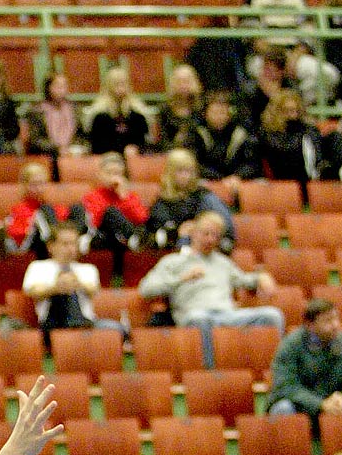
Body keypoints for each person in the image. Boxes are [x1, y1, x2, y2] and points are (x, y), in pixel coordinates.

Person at [138, 210, 284, 367]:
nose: (210, 239)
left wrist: (261, 277)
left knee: (272, 315)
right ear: (193, 233)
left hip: (227, 315)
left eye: (215, 235)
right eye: (205, 234)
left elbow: (244, 280)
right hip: (194, 315)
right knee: (200, 319)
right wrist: (181, 279)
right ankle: (210, 372)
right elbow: (146, 289)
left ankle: (275, 369)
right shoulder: (173, 261)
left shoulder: (223, 262)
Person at [266, 298, 342, 428]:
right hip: (303, 408)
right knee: (283, 409)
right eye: (328, 320)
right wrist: (320, 404)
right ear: (310, 325)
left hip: (339, 407)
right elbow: (286, 386)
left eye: (336, 319)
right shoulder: (290, 346)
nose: (335, 325)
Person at [21, 224, 123, 343]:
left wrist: (77, 283)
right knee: (63, 295)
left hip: (87, 322)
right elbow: (31, 290)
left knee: (117, 329)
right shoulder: (38, 267)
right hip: (52, 324)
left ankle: (77, 329)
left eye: (74, 243)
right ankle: (75, 331)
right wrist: (56, 288)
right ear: (51, 246)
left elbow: (94, 289)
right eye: (65, 244)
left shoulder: (88, 269)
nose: (70, 248)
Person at [141, 148, 235, 253]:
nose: (186, 176)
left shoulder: (202, 195)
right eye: (180, 171)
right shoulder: (162, 203)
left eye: (189, 171)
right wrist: (178, 232)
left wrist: (198, 227)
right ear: (170, 172)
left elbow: (224, 226)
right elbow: (155, 235)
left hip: (208, 245)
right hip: (177, 248)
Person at [177, 91, 261, 201]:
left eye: (222, 112)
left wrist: (237, 176)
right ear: (206, 113)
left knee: (259, 185)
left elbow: (252, 162)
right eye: (214, 112)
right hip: (207, 180)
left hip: (237, 180)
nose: (219, 116)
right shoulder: (196, 132)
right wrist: (220, 179)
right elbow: (193, 163)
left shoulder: (241, 132)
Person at [0, 159, 88, 257]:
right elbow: (18, 237)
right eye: (34, 184)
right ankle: (59, 243)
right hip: (32, 246)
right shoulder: (20, 209)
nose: (39, 188)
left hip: (53, 236)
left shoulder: (49, 205)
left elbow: (64, 222)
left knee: (78, 208)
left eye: (42, 183)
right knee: (44, 212)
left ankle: (73, 242)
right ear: (24, 185)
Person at [80, 152, 149, 274]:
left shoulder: (129, 195)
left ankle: (132, 239)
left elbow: (142, 218)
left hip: (124, 238)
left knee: (140, 228)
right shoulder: (92, 196)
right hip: (104, 236)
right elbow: (95, 221)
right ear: (100, 175)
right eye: (109, 173)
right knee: (111, 212)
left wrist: (124, 197)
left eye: (117, 174)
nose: (114, 178)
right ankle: (133, 238)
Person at [22, 71, 86, 174]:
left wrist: (77, 148)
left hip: (72, 154)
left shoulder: (75, 109)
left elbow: (82, 136)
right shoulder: (36, 111)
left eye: (64, 85)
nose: (62, 89)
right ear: (48, 87)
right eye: (58, 86)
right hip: (48, 155)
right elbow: (35, 140)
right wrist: (57, 149)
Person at [257, 89, 321, 189]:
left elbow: (317, 158)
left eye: (297, 111)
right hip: (281, 185)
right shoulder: (267, 135)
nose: (294, 115)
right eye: (288, 111)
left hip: (309, 181)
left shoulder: (309, 131)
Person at [83, 66, 152, 156]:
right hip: (107, 159)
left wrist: (136, 148)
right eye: (116, 84)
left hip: (134, 159)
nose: (120, 87)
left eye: (123, 83)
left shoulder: (138, 114)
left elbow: (145, 142)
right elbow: (95, 145)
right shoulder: (99, 116)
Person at [154, 65, 205, 151]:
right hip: (171, 154)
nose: (183, 85)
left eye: (186, 81)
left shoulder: (203, 108)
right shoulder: (164, 110)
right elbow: (162, 141)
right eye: (179, 81)